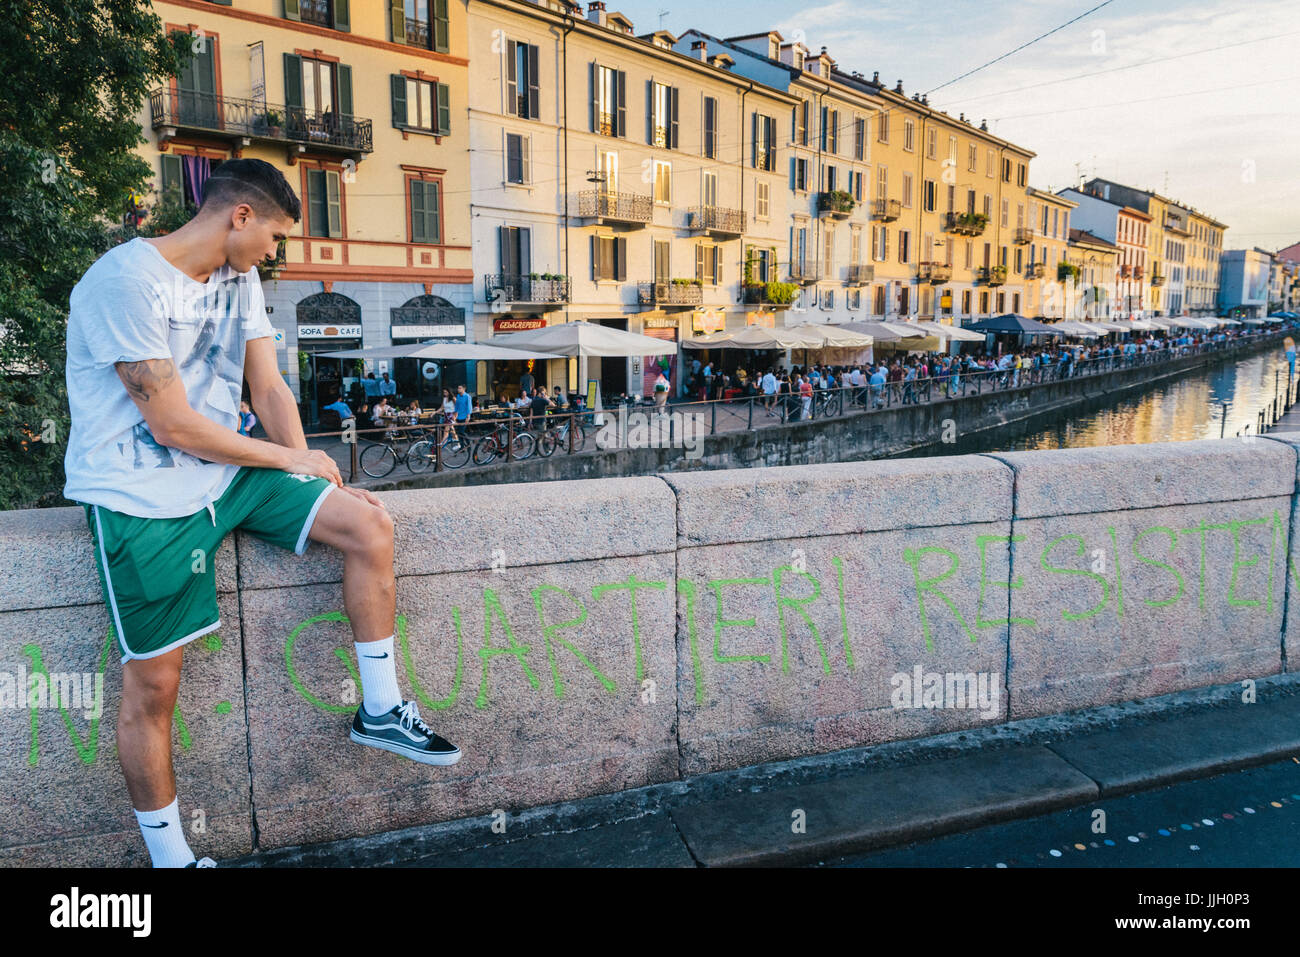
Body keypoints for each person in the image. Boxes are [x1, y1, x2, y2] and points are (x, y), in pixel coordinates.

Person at [61, 158, 459, 870]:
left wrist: (312, 469)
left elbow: (267, 383)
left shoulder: (239, 277)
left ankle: (379, 710)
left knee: (368, 524)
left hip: (231, 474)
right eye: (274, 236)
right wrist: (284, 460)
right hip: (143, 496)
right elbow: (173, 426)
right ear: (239, 216)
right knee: (155, 685)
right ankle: (173, 860)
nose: (275, 253)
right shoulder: (124, 283)